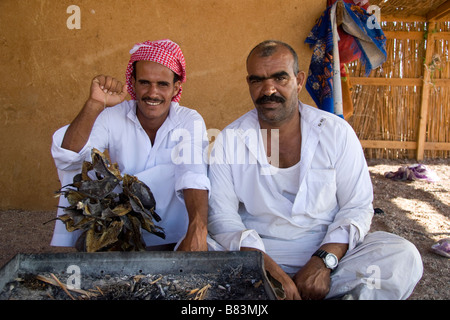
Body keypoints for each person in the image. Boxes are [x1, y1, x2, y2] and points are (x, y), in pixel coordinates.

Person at [207, 40, 423, 299]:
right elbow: (222, 216)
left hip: (329, 258)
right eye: (258, 80)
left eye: (280, 78)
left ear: (299, 80)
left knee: (401, 255)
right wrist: (266, 268)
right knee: (190, 253)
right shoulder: (230, 140)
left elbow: (357, 206)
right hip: (257, 256)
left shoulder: (335, 132)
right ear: (249, 84)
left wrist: (323, 261)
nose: (268, 89)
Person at [51, 39, 210, 251]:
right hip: (122, 225)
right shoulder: (112, 116)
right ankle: (96, 238)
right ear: (133, 83)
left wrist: (198, 229)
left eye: (162, 84)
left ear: (175, 88)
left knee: (193, 173)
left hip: (175, 231)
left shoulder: (189, 120)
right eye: (145, 82)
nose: (152, 93)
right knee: (77, 165)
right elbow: (68, 157)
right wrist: (95, 104)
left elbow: (193, 173)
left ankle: (184, 237)